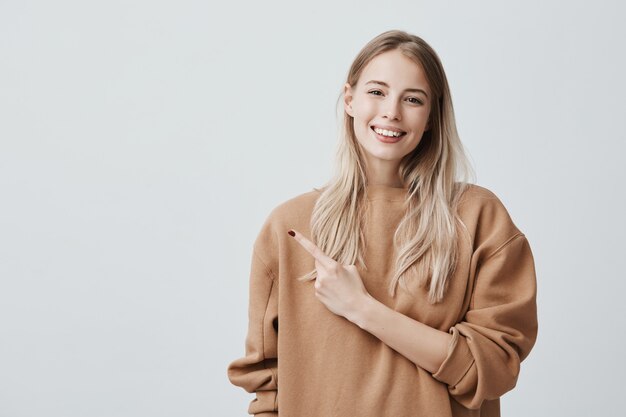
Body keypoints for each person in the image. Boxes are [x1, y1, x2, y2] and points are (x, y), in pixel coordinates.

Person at [226, 29, 538, 417]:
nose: (392, 111)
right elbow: (266, 384)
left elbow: (493, 368)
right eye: (377, 92)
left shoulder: (478, 218)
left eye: (412, 99)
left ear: (431, 117)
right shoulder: (289, 226)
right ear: (349, 99)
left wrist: (362, 308)